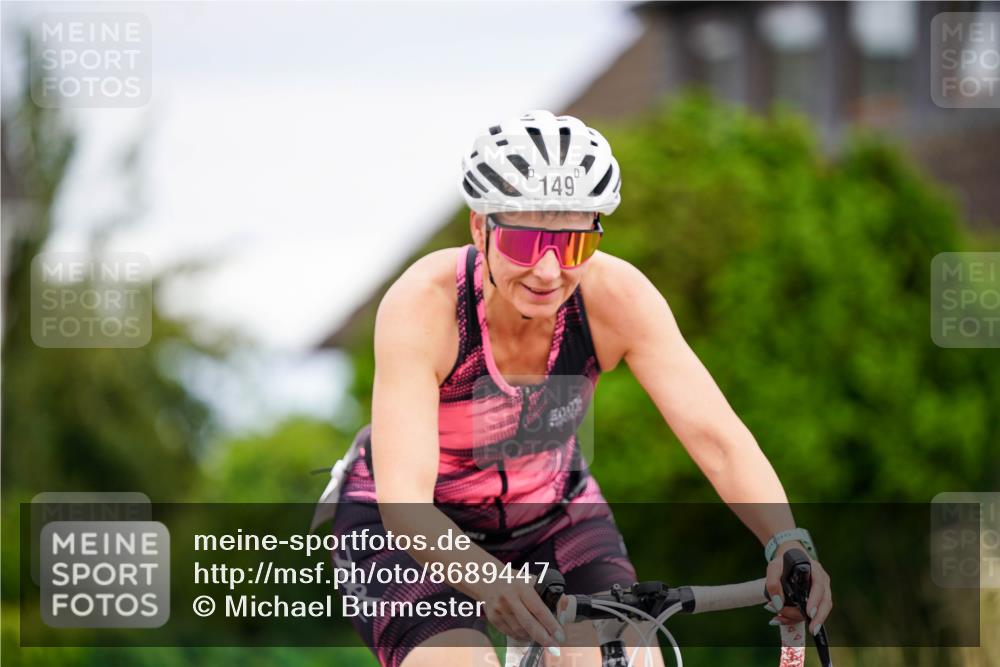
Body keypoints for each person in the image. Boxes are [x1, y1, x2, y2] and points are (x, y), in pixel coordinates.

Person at [320, 110, 832, 667]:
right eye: (522, 242)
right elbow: (408, 506)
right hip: (408, 526)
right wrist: (495, 585)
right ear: (479, 228)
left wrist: (786, 542)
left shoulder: (616, 297)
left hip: (554, 513)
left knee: (627, 659)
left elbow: (718, 439)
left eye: (572, 246)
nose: (546, 270)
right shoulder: (425, 304)